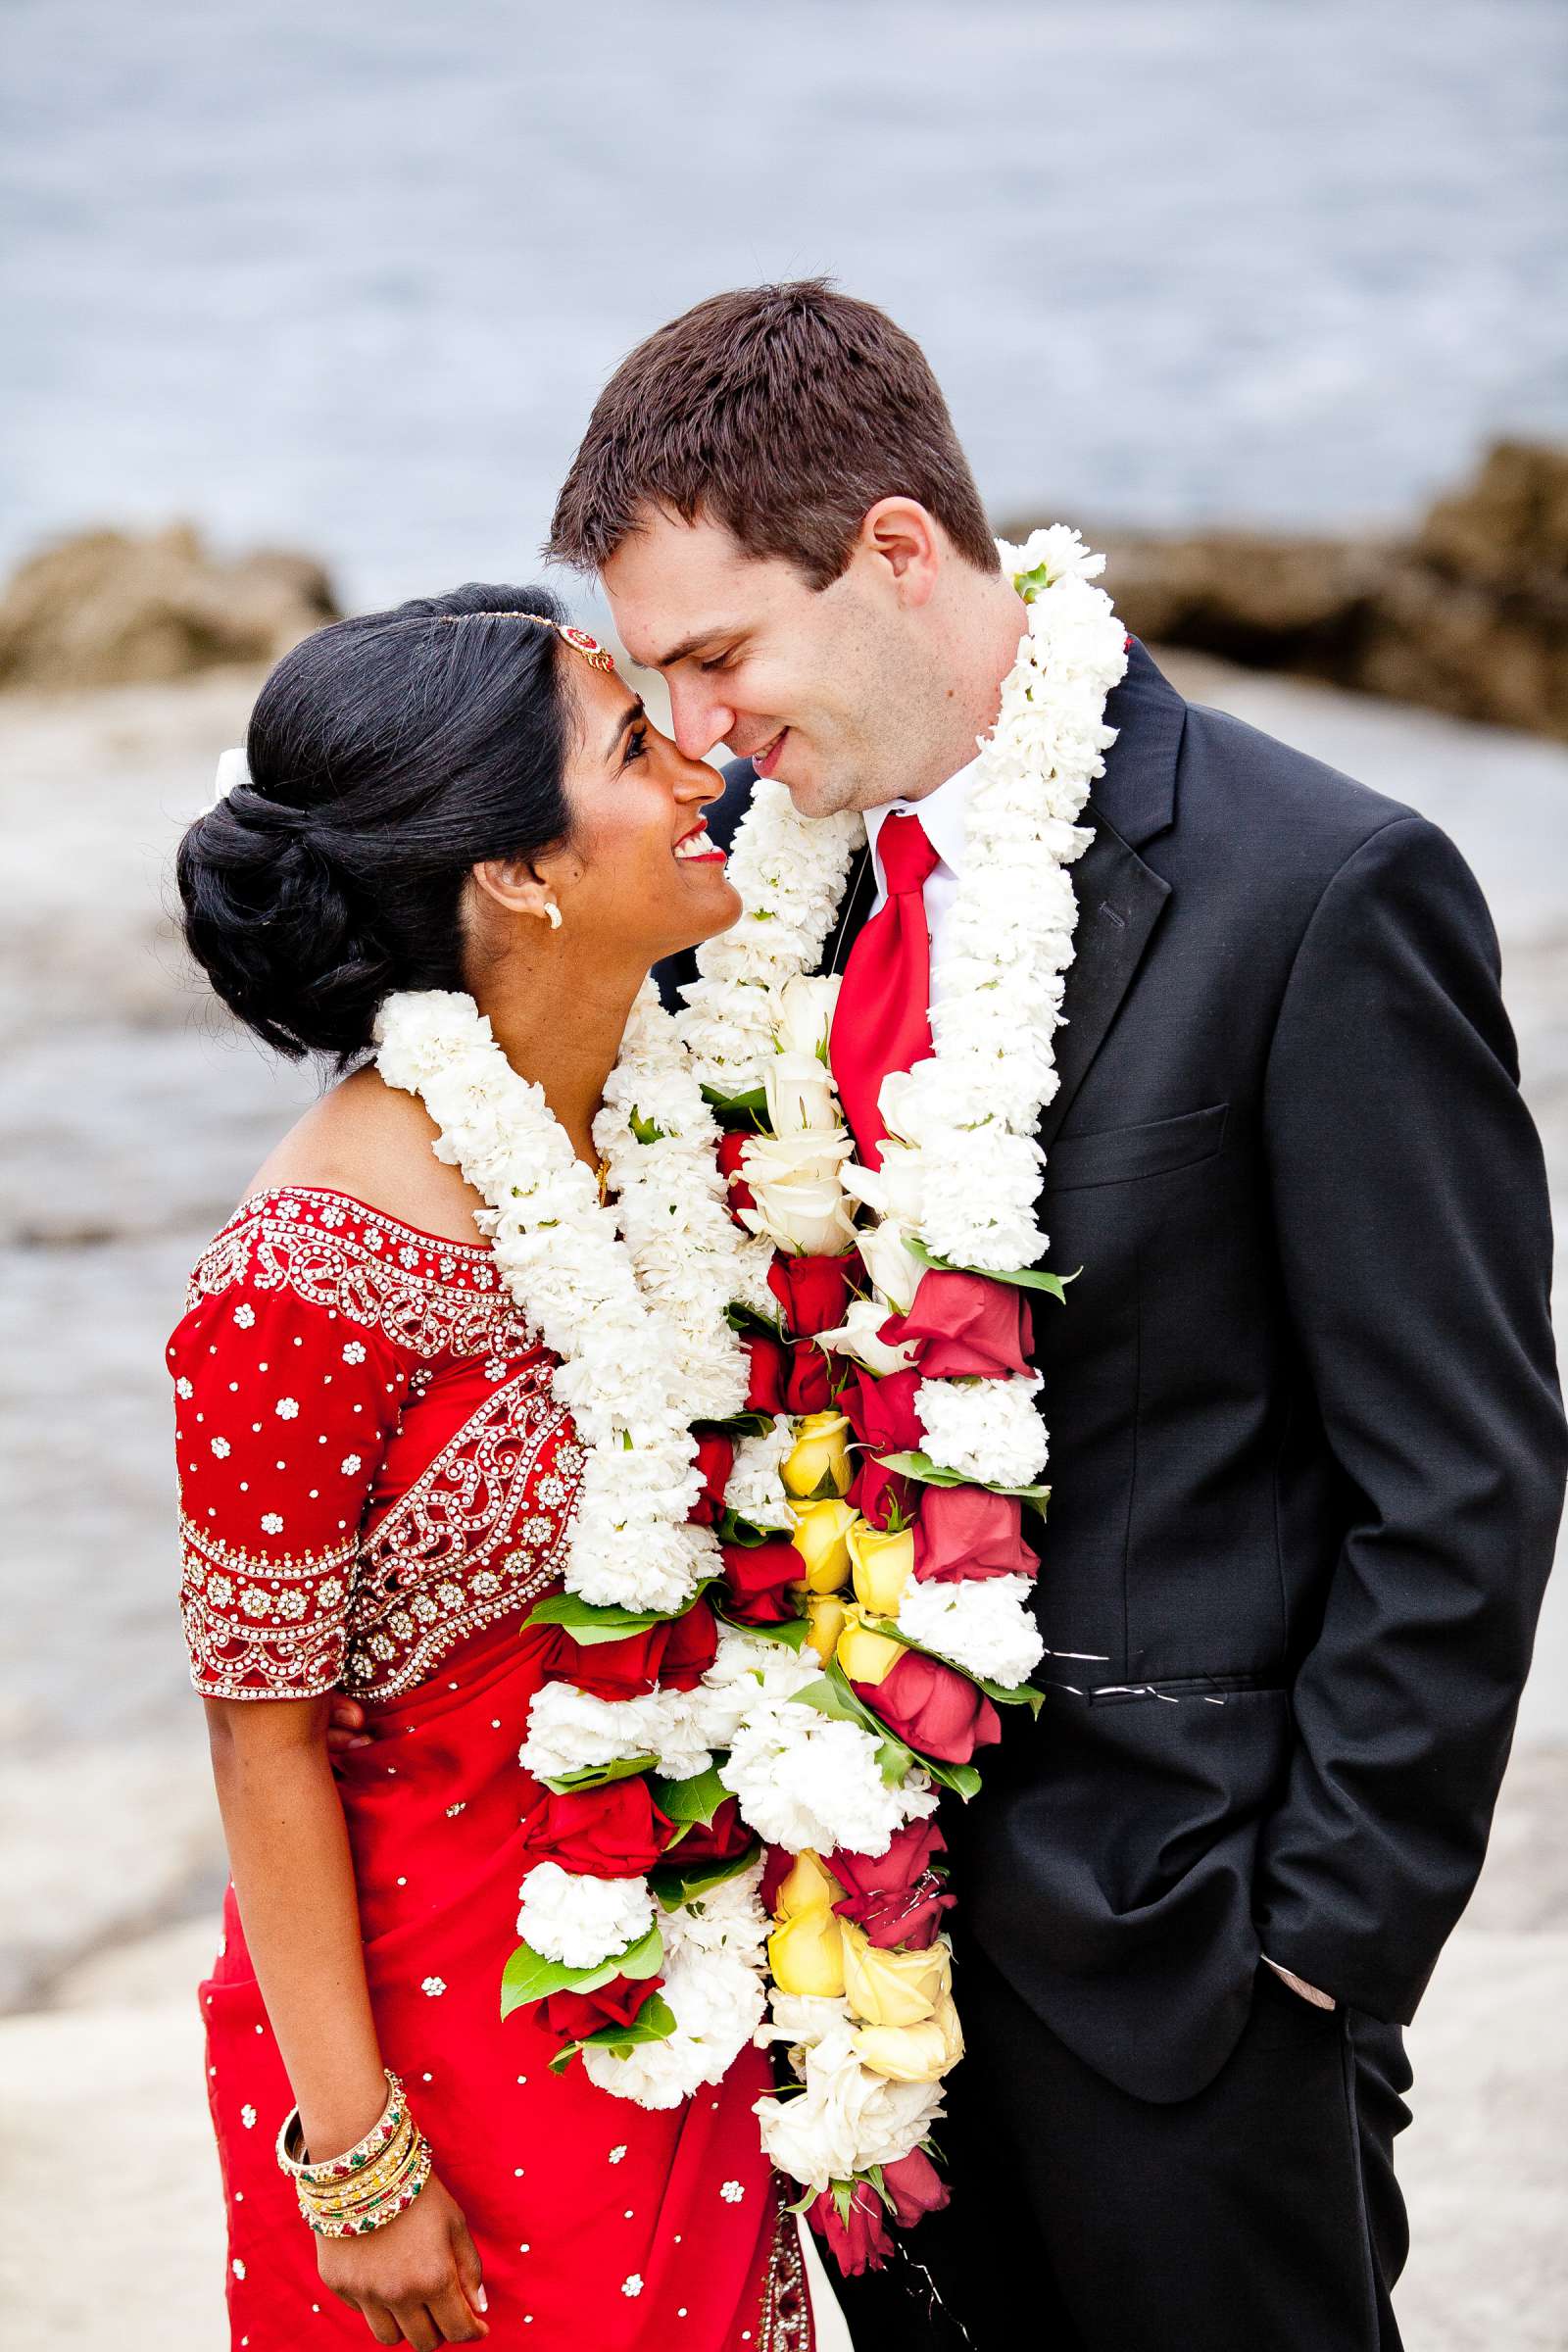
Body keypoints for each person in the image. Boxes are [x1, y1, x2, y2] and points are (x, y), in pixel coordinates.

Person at [541, 280, 1568, 2351]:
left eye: (720, 654)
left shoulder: (1318, 889)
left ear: (896, 558)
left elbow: (1459, 1470)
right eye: (657, 681)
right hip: (845, 1984)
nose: (704, 729)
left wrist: (1313, 1947)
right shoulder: (743, 903)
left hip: (1191, 1978)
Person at [171, 585, 823, 2351]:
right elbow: (259, 1728)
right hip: (426, 2042)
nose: (701, 757)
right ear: (517, 878)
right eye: (630, 742)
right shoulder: (302, 1275)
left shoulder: (666, 1122)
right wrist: (357, 2157)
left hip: (687, 1965)